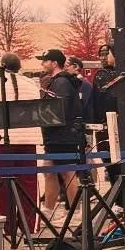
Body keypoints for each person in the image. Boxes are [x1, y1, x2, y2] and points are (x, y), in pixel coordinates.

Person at [37, 49, 83, 216]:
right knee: (49, 171)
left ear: (54, 63)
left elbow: (59, 108)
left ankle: (76, 211)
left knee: (67, 172)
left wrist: (42, 116)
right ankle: (48, 210)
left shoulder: (61, 82)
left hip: (62, 135)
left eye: (45, 61)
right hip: (56, 135)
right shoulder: (59, 81)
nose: (42, 64)